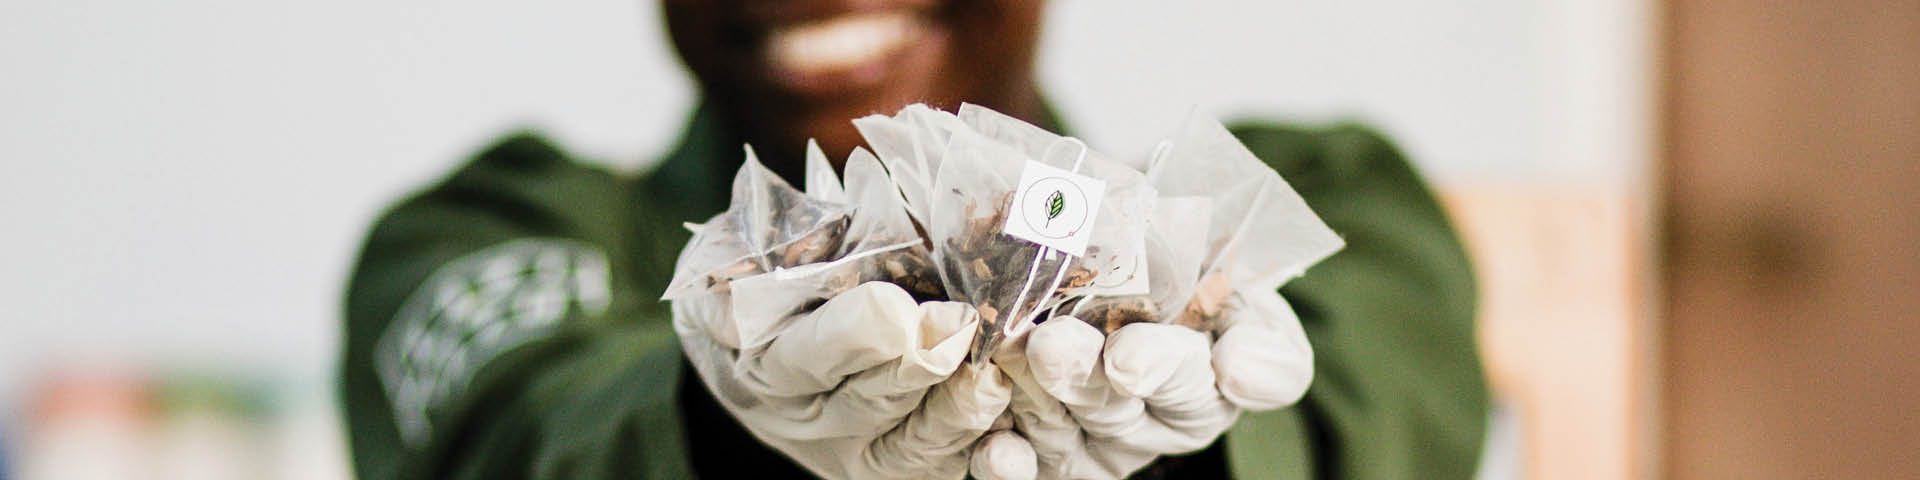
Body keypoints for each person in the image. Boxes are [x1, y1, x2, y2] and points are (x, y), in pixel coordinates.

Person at [340, 1, 1489, 478]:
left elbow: (1381, 410)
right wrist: (725, 426)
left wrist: (1192, 456)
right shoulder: (493, 230)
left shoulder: (1323, 198)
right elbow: (524, 431)